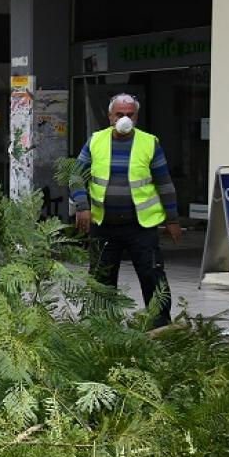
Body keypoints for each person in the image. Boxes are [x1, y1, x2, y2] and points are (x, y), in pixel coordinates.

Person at [72, 94, 182, 328]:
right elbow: (76, 177)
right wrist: (82, 206)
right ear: (110, 116)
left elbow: (164, 183)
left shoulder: (149, 142)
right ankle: (103, 326)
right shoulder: (95, 141)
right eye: (119, 114)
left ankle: (160, 325)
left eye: (129, 114)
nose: (124, 119)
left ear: (137, 117)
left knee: (152, 275)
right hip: (104, 225)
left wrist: (172, 220)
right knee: (102, 278)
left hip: (141, 226)